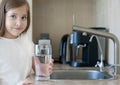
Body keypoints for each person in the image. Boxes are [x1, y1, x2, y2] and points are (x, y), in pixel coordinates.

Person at [0, 0, 54, 85]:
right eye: (13, 16)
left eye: (23, 17)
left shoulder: (25, 39)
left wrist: (42, 70)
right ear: (2, 16)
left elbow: (35, 65)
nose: (19, 23)